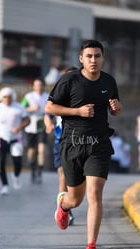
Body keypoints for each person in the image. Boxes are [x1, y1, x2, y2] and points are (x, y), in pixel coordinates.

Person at [45, 39, 122, 249]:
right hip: (72, 144)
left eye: (97, 56)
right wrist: (77, 111)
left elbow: (115, 108)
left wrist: (117, 109)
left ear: (103, 58)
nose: (93, 60)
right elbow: (49, 107)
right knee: (76, 199)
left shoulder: (109, 81)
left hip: (98, 144)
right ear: (81, 59)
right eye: (89, 56)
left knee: (95, 194)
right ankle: (64, 206)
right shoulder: (69, 80)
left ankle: (91, 247)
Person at [44, 66, 78, 225]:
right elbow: (47, 113)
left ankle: (68, 203)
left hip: (81, 143)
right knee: (63, 176)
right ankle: (64, 210)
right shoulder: (58, 96)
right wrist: (48, 125)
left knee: (77, 181)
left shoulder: (83, 95)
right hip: (61, 141)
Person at [0, 87, 30, 195]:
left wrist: (19, 128)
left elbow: (27, 120)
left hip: (16, 139)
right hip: (1, 139)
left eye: (9, 97)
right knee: (1, 163)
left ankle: (16, 176)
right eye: (5, 97)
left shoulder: (19, 107)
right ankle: (5, 185)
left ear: (13, 97)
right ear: (1, 98)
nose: (7, 99)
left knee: (18, 161)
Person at [21, 78, 49, 183]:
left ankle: (40, 172)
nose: (39, 87)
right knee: (32, 150)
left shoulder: (47, 96)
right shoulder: (28, 97)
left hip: (42, 124)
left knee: (41, 149)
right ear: (33, 86)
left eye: (41, 85)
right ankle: (32, 169)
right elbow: (21, 108)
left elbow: (52, 108)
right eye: (36, 85)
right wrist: (31, 109)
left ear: (43, 86)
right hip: (31, 124)